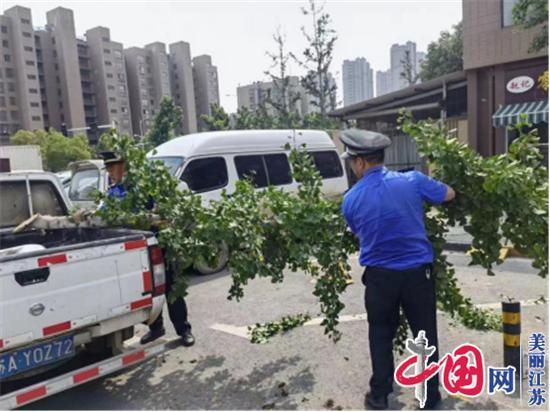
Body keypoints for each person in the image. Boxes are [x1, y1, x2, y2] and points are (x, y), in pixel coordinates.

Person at [338, 130, 455, 410]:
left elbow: (358, 231)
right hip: (417, 276)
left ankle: (379, 395)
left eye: (352, 162)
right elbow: (449, 194)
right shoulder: (413, 181)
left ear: (361, 163)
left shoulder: (350, 200)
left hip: (380, 280)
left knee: (380, 334)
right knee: (425, 334)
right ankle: (430, 397)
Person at [100, 151, 195, 347]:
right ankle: (156, 328)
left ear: (124, 166)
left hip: (160, 245)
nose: (109, 172)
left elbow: (166, 210)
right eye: (108, 168)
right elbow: (104, 215)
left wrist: (154, 214)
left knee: (170, 288)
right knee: (149, 290)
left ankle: (183, 329)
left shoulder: (147, 187)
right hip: (136, 251)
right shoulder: (113, 192)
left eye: (112, 167)